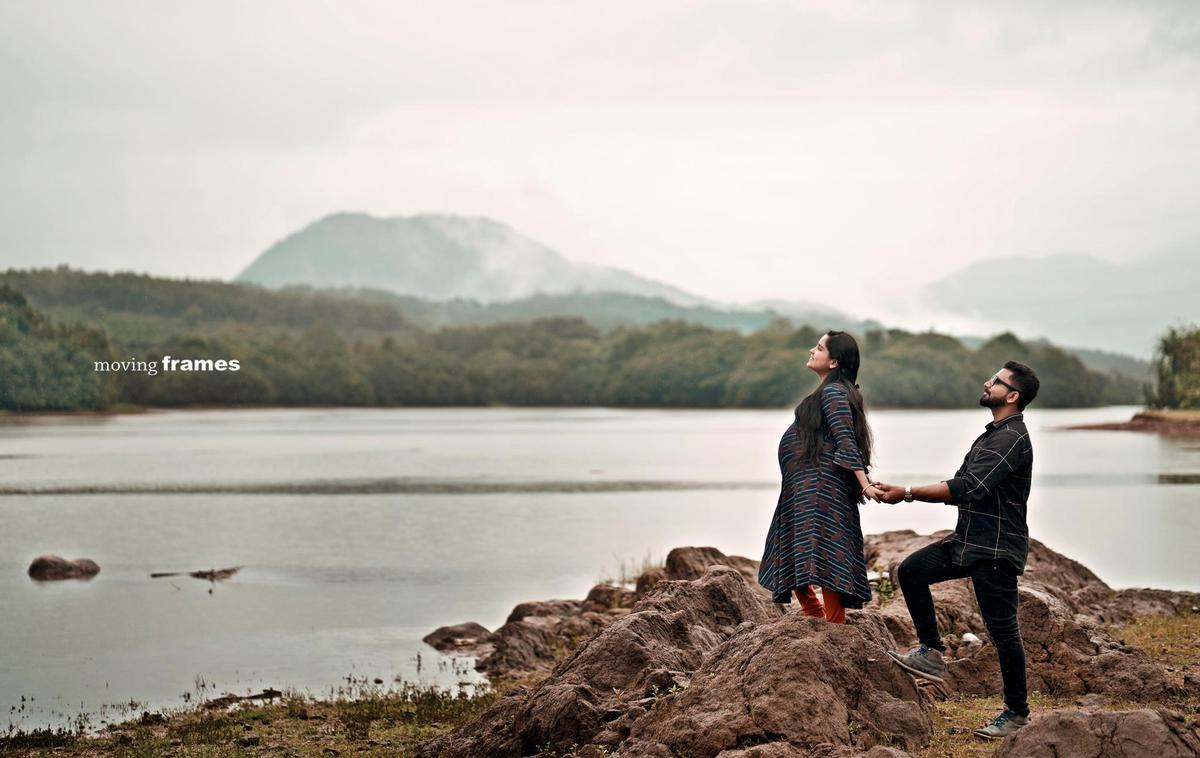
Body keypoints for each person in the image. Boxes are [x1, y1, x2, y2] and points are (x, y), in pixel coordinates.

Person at [875, 361, 1040, 741]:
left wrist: (908, 493)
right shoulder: (993, 433)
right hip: (969, 541)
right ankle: (931, 653)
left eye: (996, 381)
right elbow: (964, 487)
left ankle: (1017, 713)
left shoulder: (1010, 438)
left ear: (1012, 396)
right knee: (912, 571)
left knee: (1003, 632)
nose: (987, 382)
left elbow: (967, 487)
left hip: (996, 549)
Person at [758, 330, 882, 624]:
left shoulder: (834, 393)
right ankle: (817, 616)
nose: (812, 351)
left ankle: (833, 623)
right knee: (791, 549)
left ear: (834, 362)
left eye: (819, 348)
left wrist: (864, 484)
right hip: (803, 487)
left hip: (819, 488)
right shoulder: (831, 390)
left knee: (826, 555)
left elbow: (846, 439)